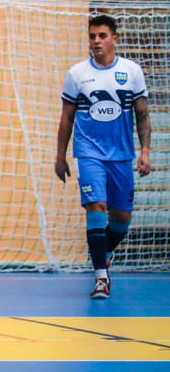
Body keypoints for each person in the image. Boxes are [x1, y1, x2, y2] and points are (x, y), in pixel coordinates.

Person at [55, 15, 151, 299]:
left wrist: (145, 151)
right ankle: (101, 278)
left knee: (121, 218)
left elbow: (142, 113)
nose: (96, 41)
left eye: (101, 36)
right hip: (89, 152)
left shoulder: (132, 71)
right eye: (92, 36)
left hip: (121, 155)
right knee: (96, 206)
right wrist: (60, 156)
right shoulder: (77, 74)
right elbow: (66, 118)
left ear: (114, 39)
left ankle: (103, 249)